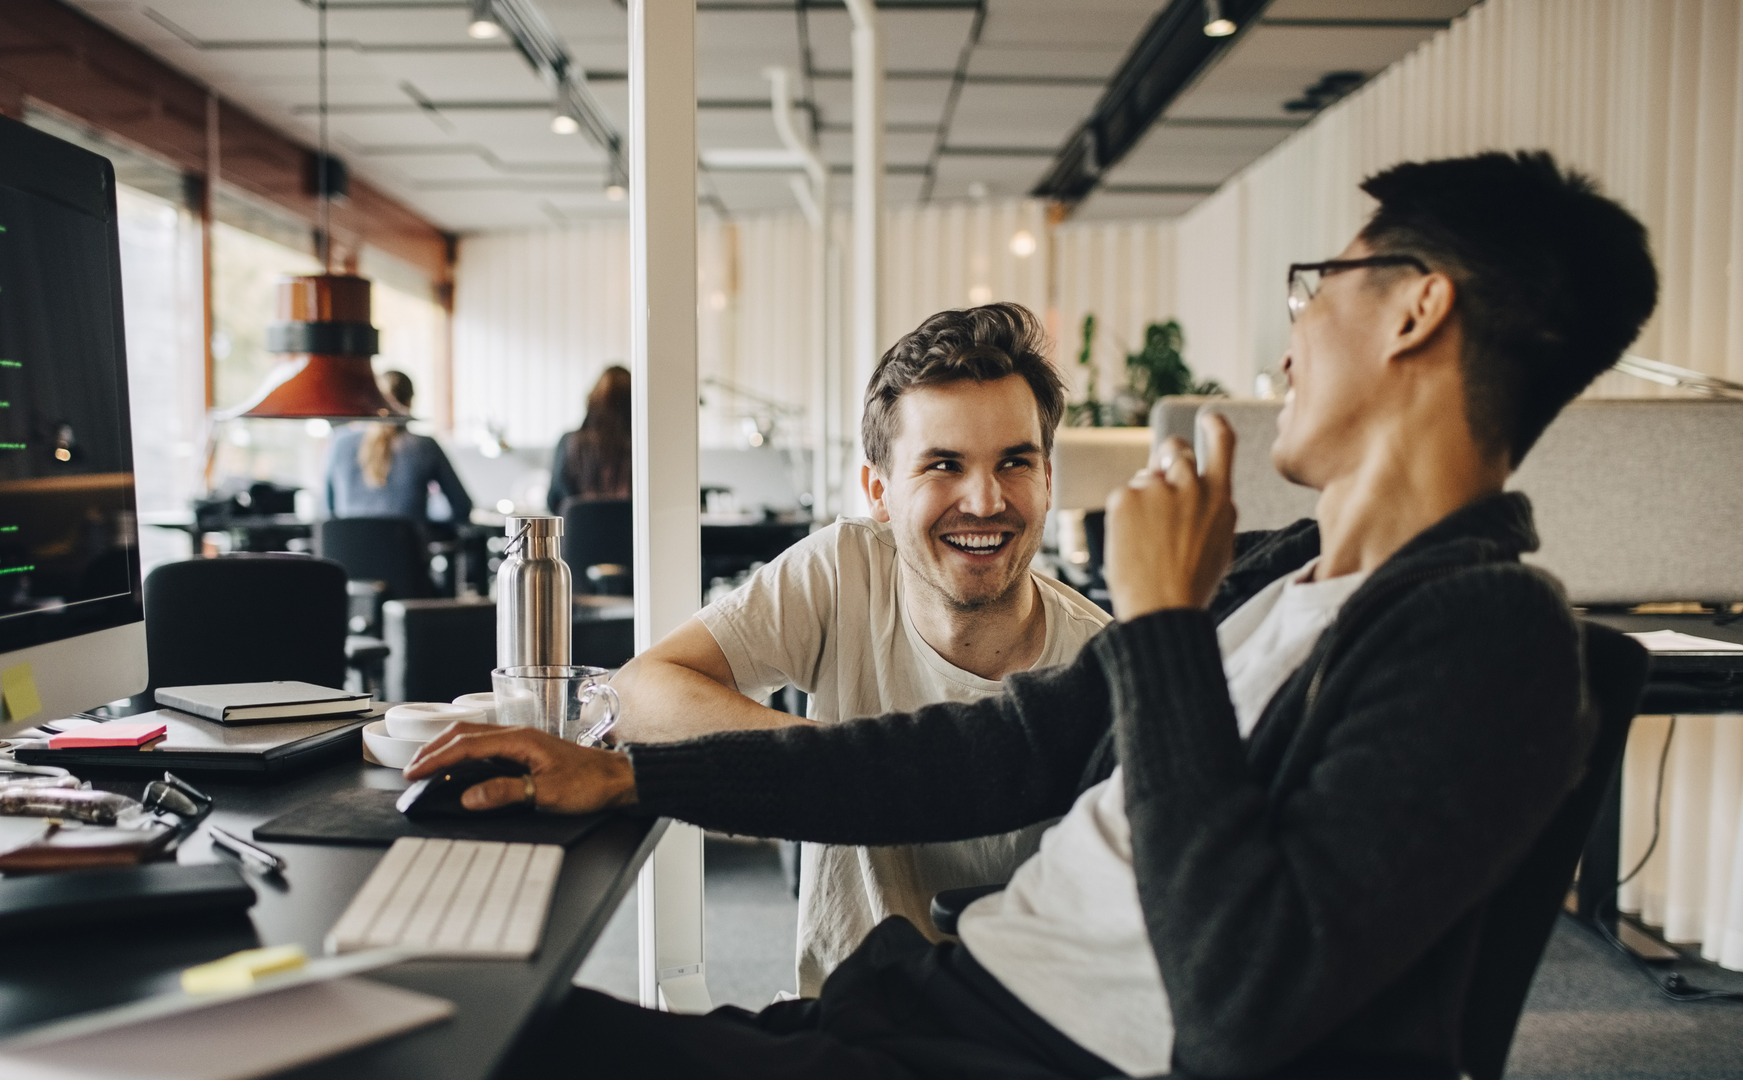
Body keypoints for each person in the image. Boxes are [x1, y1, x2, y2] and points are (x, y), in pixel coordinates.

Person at [408, 151, 1659, 1079]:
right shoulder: (1287, 572)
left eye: (1315, 287)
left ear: (1414, 307)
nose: (1290, 342)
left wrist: (1164, 621)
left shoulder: (1496, 637)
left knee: (437, 1049)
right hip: (944, 998)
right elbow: (993, 752)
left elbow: (1245, 1000)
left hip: (1029, 1057)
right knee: (443, 1018)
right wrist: (630, 776)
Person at [609, 303, 1109, 994]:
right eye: (944, 464)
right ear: (879, 490)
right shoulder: (844, 570)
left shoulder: (1103, 664)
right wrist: (838, 770)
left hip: (1017, 1040)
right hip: (837, 1022)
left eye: (1015, 462)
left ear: (1048, 479)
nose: (987, 500)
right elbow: (641, 694)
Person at [323, 371, 473, 530]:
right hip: (405, 551)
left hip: (346, 551)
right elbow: (462, 507)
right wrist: (426, 531)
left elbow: (328, 509)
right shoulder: (425, 446)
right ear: (409, 403)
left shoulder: (340, 442)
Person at [548, 365, 631, 514]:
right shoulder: (639, 447)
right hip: (630, 535)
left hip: (578, 535)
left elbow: (553, 501)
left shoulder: (569, 442)